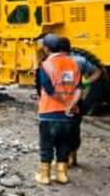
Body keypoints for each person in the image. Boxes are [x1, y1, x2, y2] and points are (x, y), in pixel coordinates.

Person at [35, 33, 83, 185]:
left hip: (49, 113)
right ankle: (62, 175)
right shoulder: (74, 63)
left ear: (47, 48)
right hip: (68, 115)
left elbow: (49, 90)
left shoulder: (45, 65)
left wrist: (64, 102)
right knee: (64, 144)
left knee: (46, 145)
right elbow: (79, 88)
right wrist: (71, 104)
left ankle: (44, 176)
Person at [59, 37, 103, 168]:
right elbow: (98, 72)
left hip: (62, 102)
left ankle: (65, 160)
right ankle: (73, 158)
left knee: (62, 130)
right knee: (73, 129)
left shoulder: (57, 62)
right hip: (76, 101)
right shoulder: (80, 60)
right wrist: (85, 83)